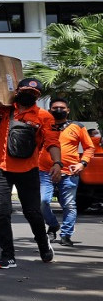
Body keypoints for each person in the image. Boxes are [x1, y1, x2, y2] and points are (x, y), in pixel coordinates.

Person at [0, 78, 60, 269]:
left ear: (38, 97)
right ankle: (7, 255)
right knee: (1, 212)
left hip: (28, 170)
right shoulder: (1, 110)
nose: (29, 95)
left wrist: (57, 162)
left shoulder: (44, 117)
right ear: (16, 92)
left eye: (34, 94)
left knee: (32, 212)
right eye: (26, 91)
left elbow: (52, 142)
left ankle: (43, 244)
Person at [39, 98, 94, 246]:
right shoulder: (44, 126)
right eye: (55, 107)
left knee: (69, 205)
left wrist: (82, 163)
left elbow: (89, 148)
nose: (58, 110)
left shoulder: (77, 127)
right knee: (42, 201)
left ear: (68, 110)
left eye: (62, 107)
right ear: (50, 110)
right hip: (45, 171)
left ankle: (66, 235)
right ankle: (53, 224)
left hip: (70, 172)